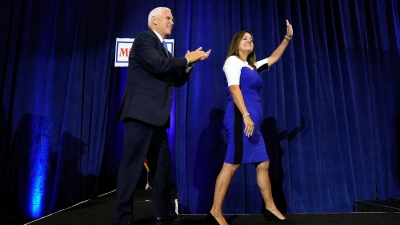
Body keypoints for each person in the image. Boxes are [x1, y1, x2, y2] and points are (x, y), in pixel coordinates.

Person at [114, 7, 211, 225]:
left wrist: (189, 63)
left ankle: (162, 212)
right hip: (140, 114)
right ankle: (123, 218)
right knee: (131, 166)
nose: (172, 21)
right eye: (168, 18)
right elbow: (158, 65)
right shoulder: (144, 39)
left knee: (162, 167)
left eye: (172, 19)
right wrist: (186, 60)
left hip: (157, 118)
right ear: (154, 20)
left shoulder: (164, 50)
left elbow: (176, 79)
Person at [207, 20, 294, 225]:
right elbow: (234, 89)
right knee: (232, 165)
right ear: (236, 43)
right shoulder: (232, 62)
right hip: (240, 119)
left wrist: (287, 38)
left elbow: (273, 58)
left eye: (251, 39)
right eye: (245, 38)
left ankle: (271, 208)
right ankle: (215, 212)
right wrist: (246, 115)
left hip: (251, 123)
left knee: (263, 163)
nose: (249, 41)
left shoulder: (251, 66)